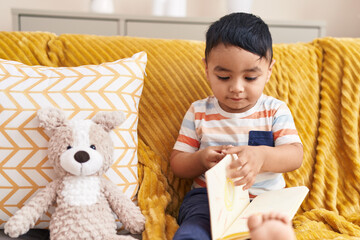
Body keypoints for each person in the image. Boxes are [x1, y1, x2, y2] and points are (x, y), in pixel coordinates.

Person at [170, 12, 303, 240]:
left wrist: (261, 156)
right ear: (207, 68)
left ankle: (266, 233)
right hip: (208, 198)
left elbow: (295, 155)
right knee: (194, 226)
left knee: (267, 226)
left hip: (263, 198)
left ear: (269, 70)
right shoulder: (199, 111)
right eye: (223, 77)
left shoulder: (275, 110)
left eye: (250, 78)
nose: (237, 88)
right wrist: (201, 159)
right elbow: (178, 164)